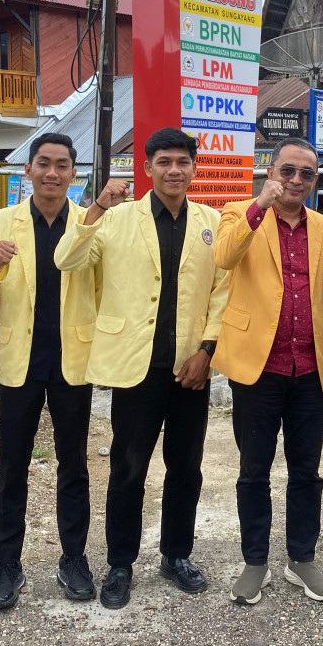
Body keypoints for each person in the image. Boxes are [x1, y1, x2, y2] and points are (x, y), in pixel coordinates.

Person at [54, 127, 229, 610]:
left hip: (190, 367)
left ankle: (176, 555)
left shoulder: (211, 221)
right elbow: (66, 258)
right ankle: (120, 563)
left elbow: (222, 291)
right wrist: (95, 209)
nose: (175, 170)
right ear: (148, 168)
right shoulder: (115, 218)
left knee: (186, 468)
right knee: (129, 469)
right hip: (136, 366)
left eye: (183, 162)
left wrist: (208, 351)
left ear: (195, 168)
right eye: (164, 162)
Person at [0, 133, 100, 611]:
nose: (52, 173)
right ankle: (7, 565)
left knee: (74, 465)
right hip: (20, 362)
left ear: (73, 174)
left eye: (62, 165)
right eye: (43, 164)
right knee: (11, 466)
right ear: (28, 170)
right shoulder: (1, 222)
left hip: (72, 362)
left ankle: (74, 559)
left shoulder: (88, 221)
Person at [212, 137, 323, 606]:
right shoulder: (238, 212)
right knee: (253, 469)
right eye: (287, 171)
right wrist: (258, 207)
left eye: (305, 174)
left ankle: (301, 558)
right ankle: (255, 561)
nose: (295, 181)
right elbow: (223, 257)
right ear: (271, 172)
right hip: (258, 367)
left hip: (309, 368)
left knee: (306, 470)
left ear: (315, 181)